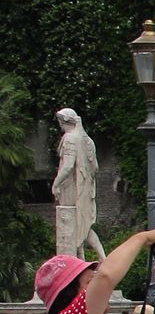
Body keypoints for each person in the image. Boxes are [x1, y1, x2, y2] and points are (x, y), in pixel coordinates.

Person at [51, 108, 106, 261]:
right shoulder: (87, 140)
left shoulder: (70, 138)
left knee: (74, 222)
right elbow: (95, 167)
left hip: (71, 187)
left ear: (64, 121)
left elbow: (67, 166)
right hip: (84, 187)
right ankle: (86, 259)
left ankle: (92, 259)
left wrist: (56, 183)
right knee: (82, 223)